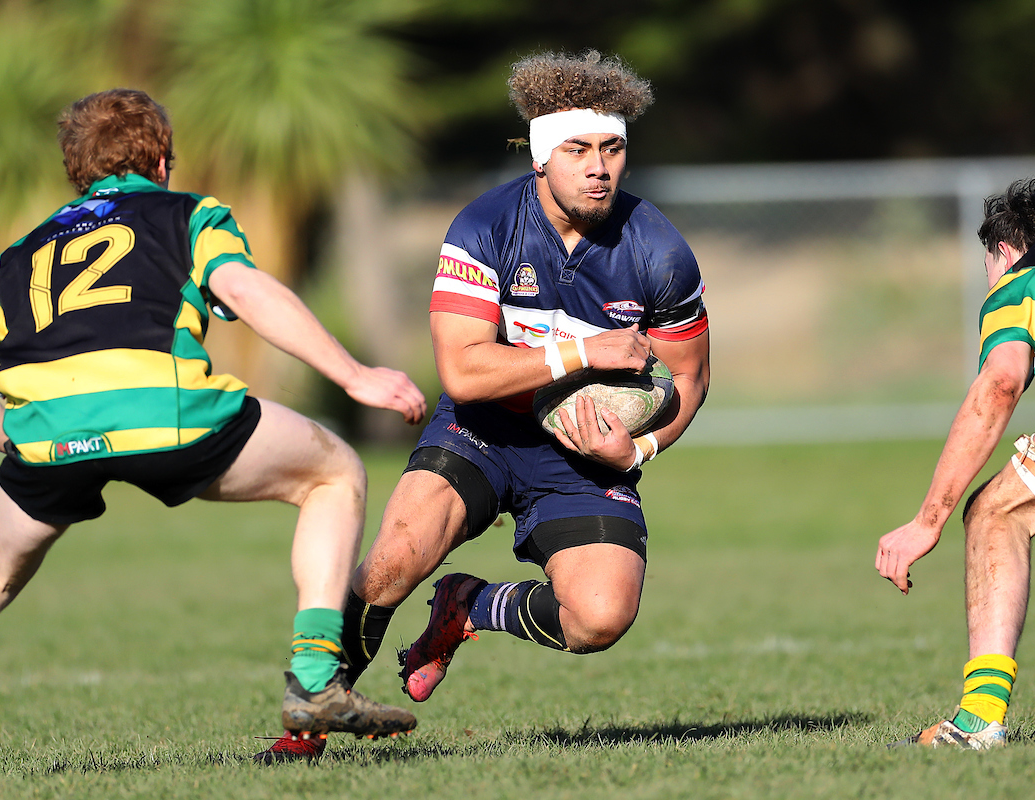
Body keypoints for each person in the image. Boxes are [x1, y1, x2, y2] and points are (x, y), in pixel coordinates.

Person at [0, 89, 428, 752]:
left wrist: (20, 440)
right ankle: (313, 679)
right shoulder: (190, 214)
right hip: (164, 415)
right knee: (333, 473)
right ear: (162, 159)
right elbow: (246, 290)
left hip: (47, 437)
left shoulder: (19, 254)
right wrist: (356, 376)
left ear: (78, 172)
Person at [257, 50, 711, 762]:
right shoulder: (485, 226)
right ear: (540, 158)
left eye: (613, 148)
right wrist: (588, 352)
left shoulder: (658, 250)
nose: (599, 167)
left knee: (600, 618)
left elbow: (689, 378)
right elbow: (463, 372)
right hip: (483, 430)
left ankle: (470, 605)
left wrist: (639, 450)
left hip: (582, 456)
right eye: (579, 149)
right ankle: (304, 729)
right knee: (392, 562)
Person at [876, 177, 1035, 749]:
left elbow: (1000, 383)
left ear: (1003, 250)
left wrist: (926, 522)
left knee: (995, 513)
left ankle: (978, 723)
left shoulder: (1022, 274)